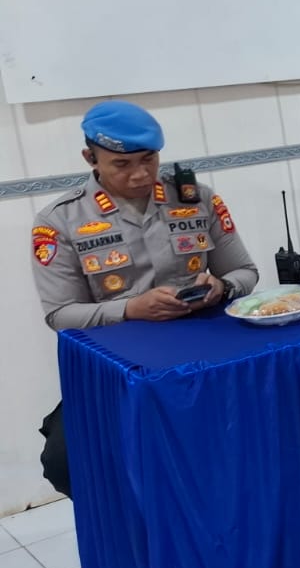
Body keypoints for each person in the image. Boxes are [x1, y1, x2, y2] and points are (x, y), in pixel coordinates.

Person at [31, 101, 260, 497]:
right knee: (65, 461)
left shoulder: (195, 198)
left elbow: (245, 272)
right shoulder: (60, 220)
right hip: (122, 364)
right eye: (122, 164)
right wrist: (130, 308)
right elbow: (60, 314)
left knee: (253, 427)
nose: (140, 174)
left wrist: (221, 288)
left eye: (149, 159)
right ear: (90, 158)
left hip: (205, 350)